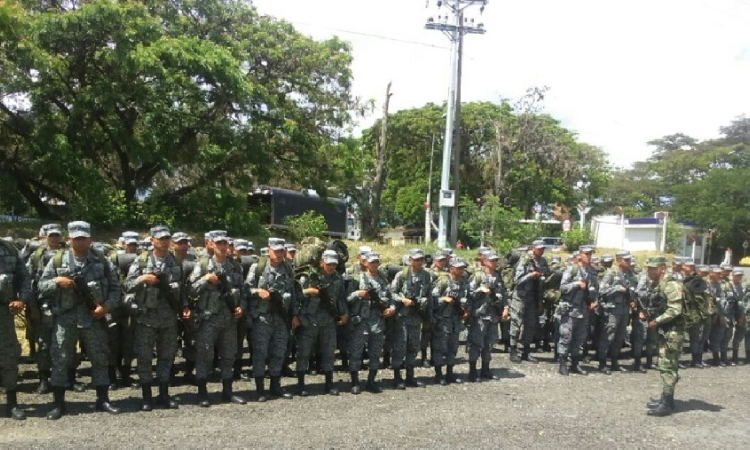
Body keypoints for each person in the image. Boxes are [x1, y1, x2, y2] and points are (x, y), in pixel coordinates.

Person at [38, 221, 121, 420]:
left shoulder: (101, 260)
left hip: (93, 318)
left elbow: (116, 288)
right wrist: (57, 282)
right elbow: (41, 286)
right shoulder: (58, 260)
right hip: (65, 318)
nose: (81, 241)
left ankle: (103, 400)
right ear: (69, 239)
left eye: (84, 238)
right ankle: (59, 404)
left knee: (99, 357)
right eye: (77, 238)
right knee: (60, 359)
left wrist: (106, 307)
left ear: (89, 238)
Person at [124, 226, 183, 411]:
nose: (164, 241)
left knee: (167, 356)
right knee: (144, 357)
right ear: (152, 240)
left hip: (168, 318)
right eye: (160, 238)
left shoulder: (175, 261)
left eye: (167, 238)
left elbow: (182, 288)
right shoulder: (141, 261)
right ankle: (147, 396)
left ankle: (164, 394)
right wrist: (142, 279)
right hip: (146, 318)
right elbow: (126, 286)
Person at [188, 231, 246, 407]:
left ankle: (227, 392)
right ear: (211, 244)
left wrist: (241, 307)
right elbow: (191, 290)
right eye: (219, 243)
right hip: (208, 319)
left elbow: (242, 290)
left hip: (228, 319)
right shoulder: (203, 265)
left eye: (225, 243)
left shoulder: (235, 267)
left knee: (229, 355)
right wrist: (206, 279)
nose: (222, 246)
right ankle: (202, 393)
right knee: (205, 355)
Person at [246, 238, 296, 402]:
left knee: (278, 352)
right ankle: (260, 389)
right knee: (260, 353)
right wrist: (258, 292)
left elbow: (293, 293)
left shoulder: (288, 268)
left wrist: (294, 314)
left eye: (282, 251)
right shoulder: (258, 268)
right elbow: (245, 289)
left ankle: (275, 385)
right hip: (262, 318)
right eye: (276, 251)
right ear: (269, 251)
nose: (279, 254)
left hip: (281, 318)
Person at [294, 250, 348, 396]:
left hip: (328, 320)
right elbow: (296, 295)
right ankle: (300, 384)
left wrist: (344, 313)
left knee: (329, 352)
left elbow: (340, 297)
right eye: (329, 263)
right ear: (321, 262)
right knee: (304, 352)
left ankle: (329, 384)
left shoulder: (337, 278)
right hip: (309, 319)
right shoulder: (310, 277)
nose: (331, 267)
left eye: (334, 264)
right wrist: (308, 292)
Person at [346, 252, 395, 394]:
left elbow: (391, 298)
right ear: (365, 263)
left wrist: (391, 308)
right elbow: (346, 299)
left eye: (376, 262)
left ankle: (371, 381)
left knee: (375, 353)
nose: (374, 264)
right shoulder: (357, 279)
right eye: (371, 262)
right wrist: (357, 294)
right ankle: (355, 382)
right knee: (356, 352)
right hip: (361, 321)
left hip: (378, 322)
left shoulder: (383, 280)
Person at [643, 256, 685, 417]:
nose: (649, 271)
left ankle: (667, 403)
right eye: (648, 268)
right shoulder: (659, 284)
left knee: (668, 366)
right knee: (665, 364)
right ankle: (667, 399)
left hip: (673, 332)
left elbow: (676, 309)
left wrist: (656, 321)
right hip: (666, 330)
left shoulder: (670, 284)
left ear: (662, 268)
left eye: (653, 268)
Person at [390, 248, 432, 389]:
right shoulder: (401, 275)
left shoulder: (426, 275)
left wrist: (425, 303)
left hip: (416, 317)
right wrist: (403, 300)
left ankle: (410, 376)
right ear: (410, 260)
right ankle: (397, 377)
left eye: (421, 259)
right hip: (403, 317)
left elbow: (429, 294)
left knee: (413, 347)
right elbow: (392, 293)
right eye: (416, 259)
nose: (419, 262)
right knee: (400, 347)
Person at [0, 235, 31, 420]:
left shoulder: (10, 249)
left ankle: (11, 403)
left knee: (9, 356)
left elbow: (23, 277)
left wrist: (22, 299)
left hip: (4, 312)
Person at [467, 251, 509, 381]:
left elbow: (504, 294)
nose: (494, 263)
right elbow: (469, 294)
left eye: (496, 260)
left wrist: (506, 308)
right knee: (475, 343)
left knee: (489, 343)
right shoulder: (478, 276)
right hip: (479, 315)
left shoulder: (498, 276)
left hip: (493, 315)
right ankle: (473, 371)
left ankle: (486, 369)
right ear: (485, 261)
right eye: (492, 260)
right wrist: (480, 290)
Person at [557, 245, 598, 376]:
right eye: (586, 254)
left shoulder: (592, 271)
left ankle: (575, 364)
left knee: (579, 339)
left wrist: (594, 301)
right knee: (566, 337)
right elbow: (562, 288)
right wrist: (576, 284)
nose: (589, 256)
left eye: (590, 254)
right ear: (580, 254)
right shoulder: (572, 269)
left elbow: (595, 289)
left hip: (584, 310)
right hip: (570, 309)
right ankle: (562, 363)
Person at [431, 257, 470, 385]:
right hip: (442, 320)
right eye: (458, 268)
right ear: (451, 269)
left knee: (453, 347)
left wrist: (466, 311)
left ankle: (450, 373)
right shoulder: (443, 282)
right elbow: (432, 301)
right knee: (440, 348)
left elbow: (467, 298)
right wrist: (444, 299)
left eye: (462, 268)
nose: (461, 270)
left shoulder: (464, 282)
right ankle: (438, 374)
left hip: (456, 320)